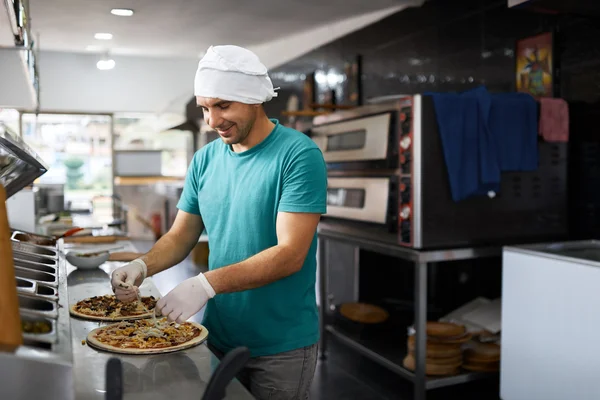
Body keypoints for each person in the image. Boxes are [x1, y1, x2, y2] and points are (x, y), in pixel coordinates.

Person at [110, 44, 327, 400]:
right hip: (216, 335)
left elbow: (290, 254)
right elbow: (181, 235)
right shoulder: (204, 160)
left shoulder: (298, 155)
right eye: (205, 108)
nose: (211, 121)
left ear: (255, 99)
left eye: (223, 105)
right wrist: (142, 264)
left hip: (281, 345)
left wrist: (204, 285)